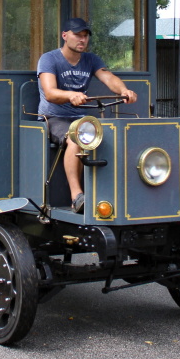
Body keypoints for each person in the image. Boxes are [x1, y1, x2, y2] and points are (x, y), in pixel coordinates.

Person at [37, 18, 138, 213]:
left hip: (82, 119)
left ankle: (117, 192)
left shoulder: (91, 60)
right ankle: (77, 197)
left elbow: (108, 77)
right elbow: (50, 93)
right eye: (77, 35)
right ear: (65, 36)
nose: (82, 40)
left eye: (85, 36)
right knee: (78, 137)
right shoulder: (49, 59)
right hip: (53, 118)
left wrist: (124, 90)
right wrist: (70, 95)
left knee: (114, 136)